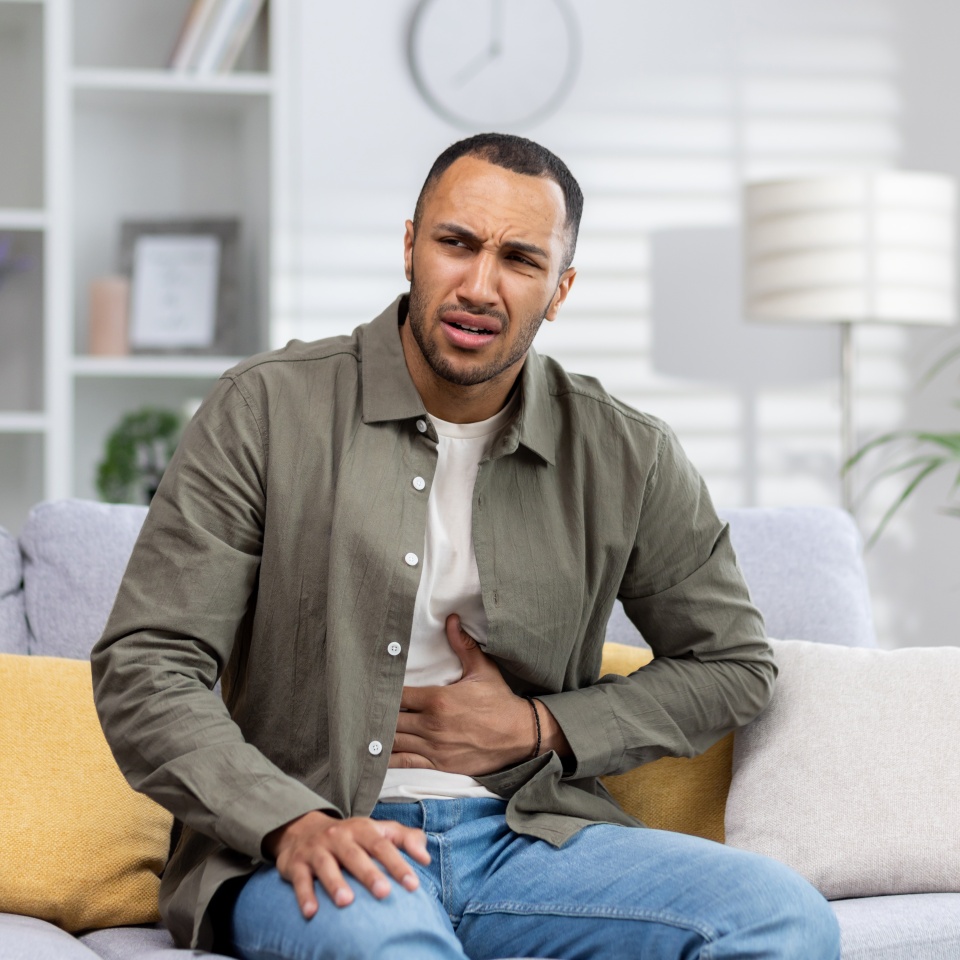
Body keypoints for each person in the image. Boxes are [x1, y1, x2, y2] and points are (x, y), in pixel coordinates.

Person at [92, 133, 841, 960]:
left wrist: (541, 727)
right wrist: (289, 823)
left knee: (782, 915)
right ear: (411, 245)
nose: (479, 286)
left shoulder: (628, 452)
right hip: (313, 841)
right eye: (456, 243)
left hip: (529, 839)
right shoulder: (265, 408)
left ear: (560, 289)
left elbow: (734, 665)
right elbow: (147, 662)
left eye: (521, 259)